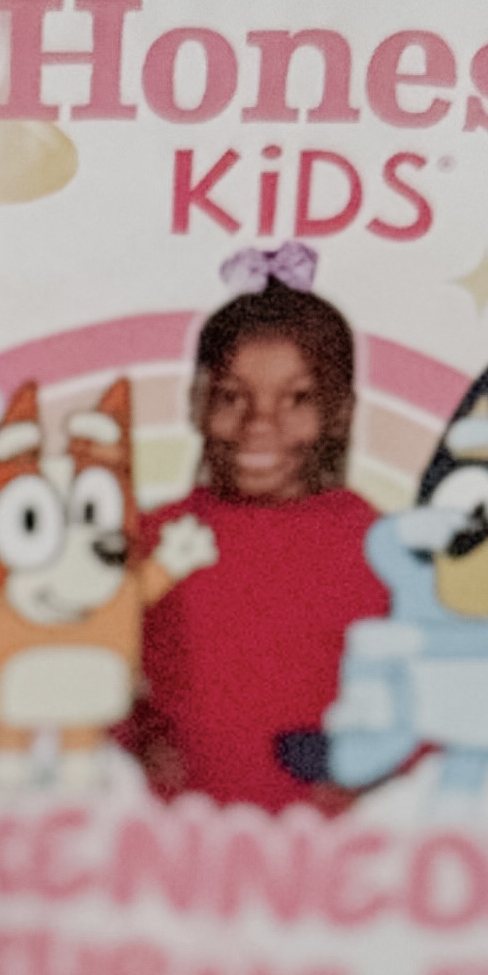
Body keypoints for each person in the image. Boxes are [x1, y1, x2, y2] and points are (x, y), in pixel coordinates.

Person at [124, 268, 391, 816]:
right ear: (196, 403)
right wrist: (137, 737)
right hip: (171, 831)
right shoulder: (153, 537)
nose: (258, 424)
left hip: (331, 840)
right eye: (231, 396)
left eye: (297, 399)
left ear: (339, 412)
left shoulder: (385, 548)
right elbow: (93, 653)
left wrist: (381, 770)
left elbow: (439, 680)